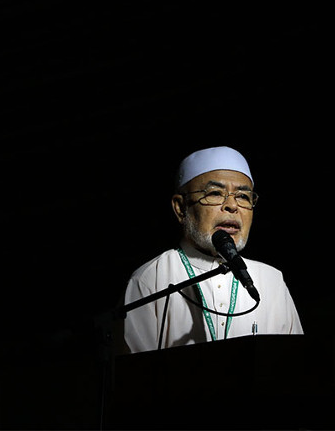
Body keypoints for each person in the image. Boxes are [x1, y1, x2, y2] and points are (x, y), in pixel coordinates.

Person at [121, 146, 303, 353]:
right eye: (216, 193)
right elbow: (136, 377)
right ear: (181, 208)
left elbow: (294, 366)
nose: (232, 206)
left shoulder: (271, 281)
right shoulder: (151, 278)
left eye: (243, 196)